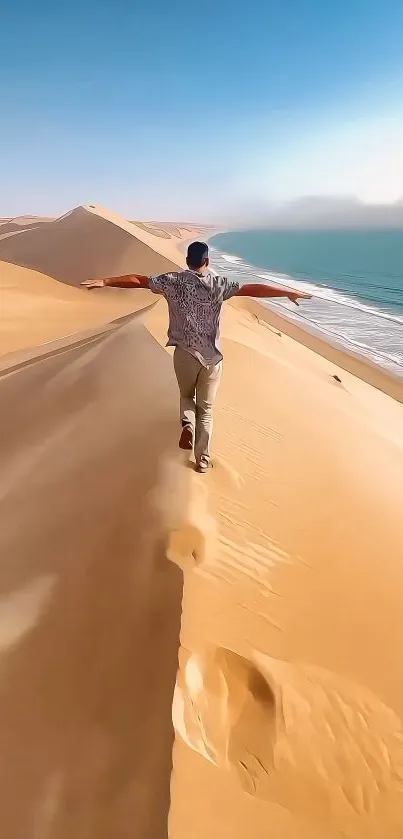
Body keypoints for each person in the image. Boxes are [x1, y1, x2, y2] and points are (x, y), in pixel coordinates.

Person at [82, 241, 310, 473]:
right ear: (207, 261)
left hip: (184, 355)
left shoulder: (172, 281)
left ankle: (187, 424)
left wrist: (106, 281)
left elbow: (139, 281)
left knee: (186, 396)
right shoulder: (220, 284)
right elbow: (253, 289)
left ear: (187, 260)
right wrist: (286, 292)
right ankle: (202, 459)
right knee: (207, 409)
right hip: (212, 359)